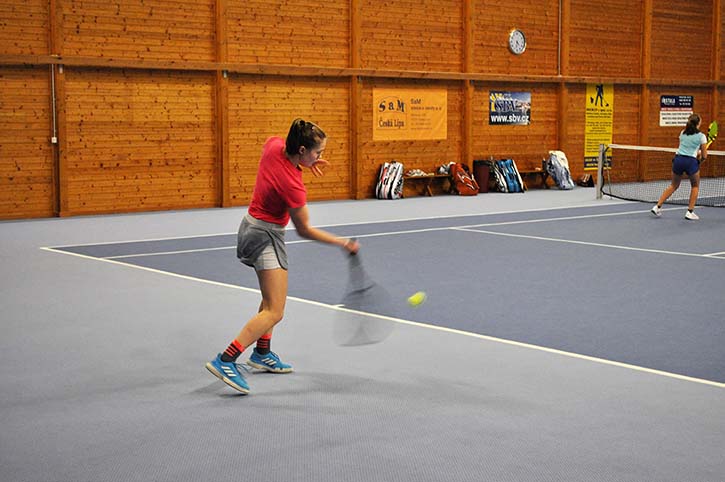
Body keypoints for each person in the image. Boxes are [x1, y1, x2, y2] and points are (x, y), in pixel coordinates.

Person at [206, 118, 359, 394]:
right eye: (318, 153)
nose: (320, 157)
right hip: (266, 237)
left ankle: (262, 353)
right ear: (302, 149)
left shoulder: (273, 145)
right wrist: (342, 242)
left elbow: (282, 160)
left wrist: (304, 164)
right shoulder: (293, 185)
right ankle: (226, 359)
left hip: (249, 227)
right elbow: (304, 230)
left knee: (269, 300)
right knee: (275, 311)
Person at [651, 113, 708, 220]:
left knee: (673, 185)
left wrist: (697, 153)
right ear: (698, 123)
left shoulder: (682, 133)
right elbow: (704, 156)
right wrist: (699, 161)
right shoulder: (702, 137)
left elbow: (686, 148)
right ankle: (690, 212)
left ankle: (657, 206)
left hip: (678, 160)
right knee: (695, 186)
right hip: (690, 162)